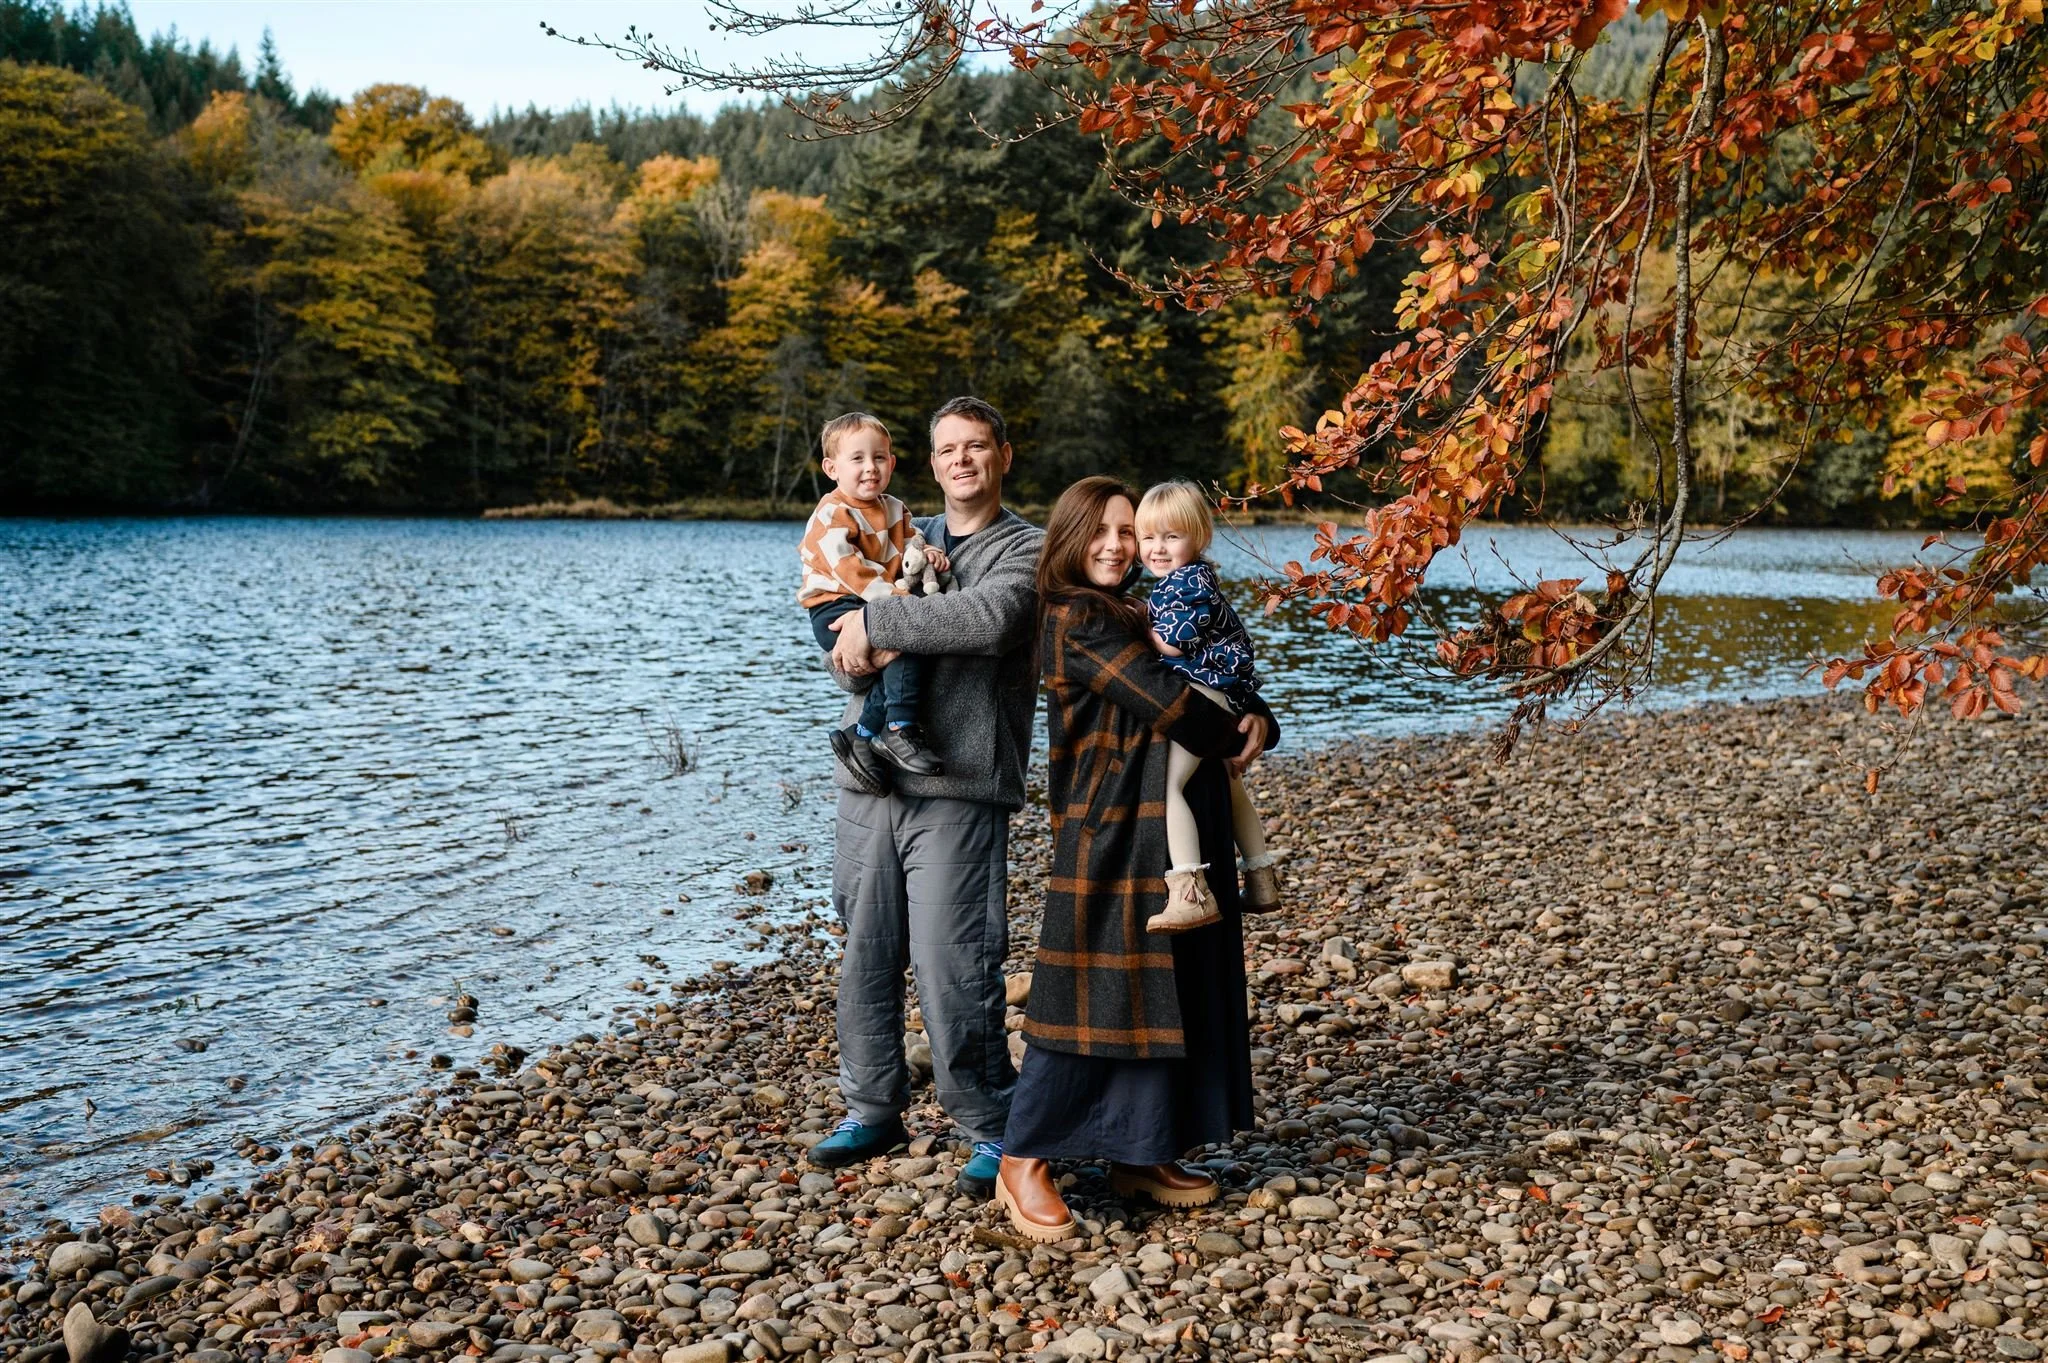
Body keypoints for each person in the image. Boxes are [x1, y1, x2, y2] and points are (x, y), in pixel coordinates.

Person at [993, 476, 1277, 1242]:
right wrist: (1242, 719)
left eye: (1128, 531)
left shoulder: (1136, 605)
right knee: (1086, 998)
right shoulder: (1075, 614)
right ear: (1071, 538)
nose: (1118, 545)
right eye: (1103, 532)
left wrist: (1256, 713)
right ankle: (1021, 1160)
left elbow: (1210, 672)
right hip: (1111, 825)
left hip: (1167, 818)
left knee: (1167, 993)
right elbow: (1169, 698)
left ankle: (1140, 1151)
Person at [805, 397, 1045, 1204]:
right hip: (870, 781)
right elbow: (842, 654)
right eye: (948, 449)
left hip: (960, 785)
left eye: (977, 447)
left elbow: (987, 618)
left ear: (1003, 455)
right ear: (932, 461)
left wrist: (877, 618)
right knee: (864, 952)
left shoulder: (1028, 547)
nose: (962, 461)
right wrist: (863, 634)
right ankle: (873, 1108)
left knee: (957, 963)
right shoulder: (901, 533)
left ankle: (993, 1122)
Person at [1134, 480, 1283, 932]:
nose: (1157, 548)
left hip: (1207, 690)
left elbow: (1177, 644)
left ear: (1198, 538)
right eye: (1148, 537)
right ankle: (1260, 878)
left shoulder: (1186, 582)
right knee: (1228, 780)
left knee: (1167, 787)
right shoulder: (1189, 578)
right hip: (1223, 690)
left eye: (1171, 536)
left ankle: (1189, 893)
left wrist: (1142, 625)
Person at [797, 412, 949, 788]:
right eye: (858, 459)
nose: (870, 468)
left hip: (878, 600)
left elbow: (911, 543)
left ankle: (862, 735)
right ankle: (897, 727)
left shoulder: (895, 508)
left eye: (880, 458)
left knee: (904, 655)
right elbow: (851, 569)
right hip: (835, 604)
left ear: (892, 463)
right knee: (904, 642)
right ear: (832, 468)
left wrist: (928, 553)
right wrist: (897, 599)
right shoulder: (833, 514)